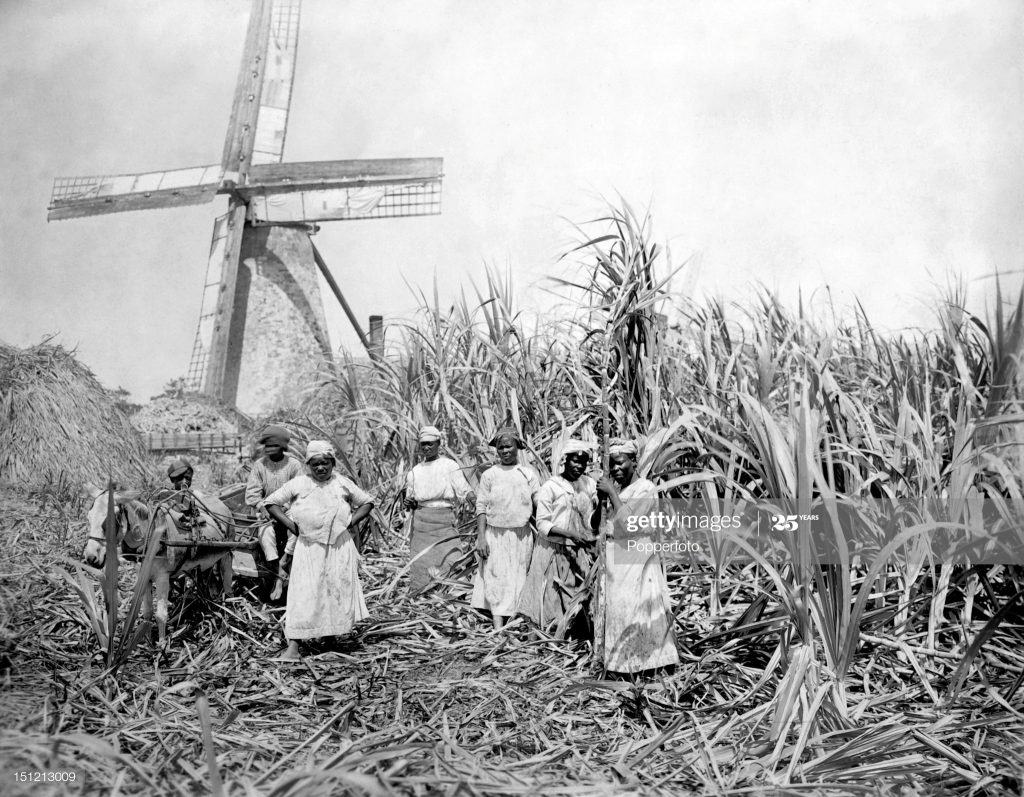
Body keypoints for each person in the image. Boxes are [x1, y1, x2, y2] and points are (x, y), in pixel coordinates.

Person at [263, 440, 374, 660]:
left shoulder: (342, 483)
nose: (320, 468)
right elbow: (271, 502)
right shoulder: (299, 484)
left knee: (333, 591)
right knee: (304, 593)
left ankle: (330, 640)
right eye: (315, 464)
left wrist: (350, 523)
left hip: (338, 548)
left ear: (332, 463)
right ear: (308, 465)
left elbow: (367, 502)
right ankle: (294, 646)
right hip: (309, 547)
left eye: (325, 463)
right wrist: (291, 526)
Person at [596, 440, 679, 674]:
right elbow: (596, 525)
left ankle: (643, 665)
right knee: (617, 608)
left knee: (636, 606)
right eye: (611, 464)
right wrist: (602, 499)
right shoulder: (616, 490)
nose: (615, 469)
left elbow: (630, 524)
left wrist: (611, 492)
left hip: (635, 555)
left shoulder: (645, 488)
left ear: (634, 462)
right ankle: (618, 664)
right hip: (614, 556)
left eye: (620, 462)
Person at [518, 440, 598, 637]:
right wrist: (570, 534)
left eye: (583, 462)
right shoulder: (551, 487)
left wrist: (603, 498)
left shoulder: (589, 484)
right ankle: (550, 638)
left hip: (579, 551)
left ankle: (575, 636)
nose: (579, 466)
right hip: (554, 550)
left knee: (578, 594)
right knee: (550, 598)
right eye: (575, 461)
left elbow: (594, 517)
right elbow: (542, 524)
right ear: (565, 460)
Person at [470, 427, 541, 629]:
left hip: (521, 535)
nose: (505, 451)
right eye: (501, 447)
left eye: (509, 446)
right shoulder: (490, 475)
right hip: (495, 534)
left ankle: (517, 623)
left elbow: (539, 502)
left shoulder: (527, 474)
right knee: (497, 577)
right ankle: (498, 626)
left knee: (520, 577)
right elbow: (481, 506)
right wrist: (481, 538)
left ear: (517, 447)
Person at [403, 426, 476, 593]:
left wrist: (476, 502)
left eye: (430, 444)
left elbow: (464, 489)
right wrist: (409, 504)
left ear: (438, 444)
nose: (427, 448)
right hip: (421, 523)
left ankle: (453, 592)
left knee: (450, 556)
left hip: (444, 520)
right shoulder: (415, 472)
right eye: (423, 445)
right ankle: (422, 593)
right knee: (422, 560)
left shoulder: (449, 466)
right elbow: (412, 501)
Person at [245, 425, 303, 600]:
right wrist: (262, 507)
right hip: (267, 511)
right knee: (264, 532)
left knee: (296, 528)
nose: (269, 449)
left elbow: (299, 491)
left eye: (274, 446)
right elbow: (253, 493)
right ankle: (277, 571)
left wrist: (283, 508)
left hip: (289, 509)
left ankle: (285, 560)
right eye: (267, 446)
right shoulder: (260, 465)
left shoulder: (293, 465)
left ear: (282, 447)